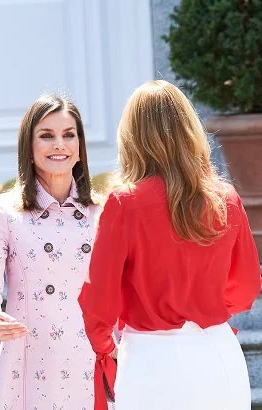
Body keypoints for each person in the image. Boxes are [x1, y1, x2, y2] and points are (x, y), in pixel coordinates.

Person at [78, 80, 262, 410]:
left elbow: (98, 299)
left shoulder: (123, 204)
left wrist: (106, 344)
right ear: (189, 129)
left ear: (131, 137)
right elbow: (247, 287)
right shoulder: (226, 199)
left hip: (153, 359)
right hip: (218, 352)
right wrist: (201, 305)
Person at [0, 93, 104, 409]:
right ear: (28, 148)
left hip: (92, 359)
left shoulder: (105, 211)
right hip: (30, 360)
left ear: (80, 148)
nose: (59, 145)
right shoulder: (4, 210)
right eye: (47, 136)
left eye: (69, 135)